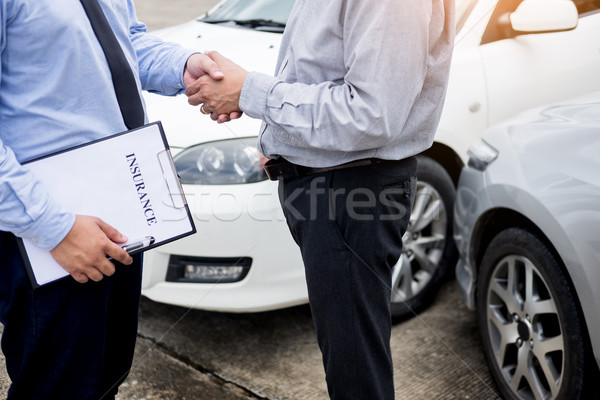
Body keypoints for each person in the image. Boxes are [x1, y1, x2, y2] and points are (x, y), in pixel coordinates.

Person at [185, 0, 455, 398]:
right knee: (347, 358)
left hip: (349, 190)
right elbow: (320, 70)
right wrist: (280, 138)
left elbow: (371, 115)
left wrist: (251, 92)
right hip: (329, 186)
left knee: (355, 374)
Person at [0, 0, 237, 398]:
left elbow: (125, 42)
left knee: (106, 375)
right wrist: (54, 228)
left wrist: (185, 64)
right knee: (58, 387)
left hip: (123, 204)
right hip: (51, 230)